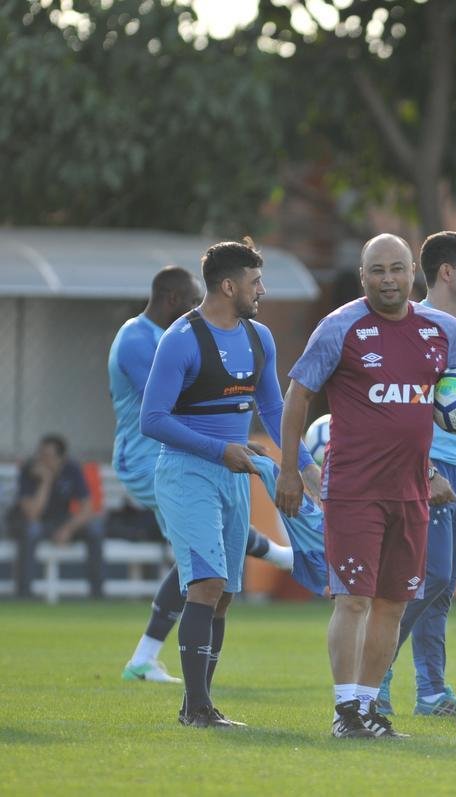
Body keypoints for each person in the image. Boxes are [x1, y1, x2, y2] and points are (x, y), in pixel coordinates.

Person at [274, 233, 456, 740]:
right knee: (354, 600)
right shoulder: (339, 327)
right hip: (354, 491)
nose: (389, 279)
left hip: (412, 491)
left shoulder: (442, 328)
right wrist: (289, 469)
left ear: (414, 274)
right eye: (378, 270)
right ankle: (345, 711)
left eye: (397, 269)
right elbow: (297, 395)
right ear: (363, 277)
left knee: (392, 603)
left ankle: (366, 708)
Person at [141, 239, 319, 729]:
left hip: (236, 477)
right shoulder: (181, 339)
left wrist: (303, 464)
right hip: (187, 473)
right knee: (206, 582)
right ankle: (195, 709)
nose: (262, 290)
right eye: (255, 282)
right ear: (227, 285)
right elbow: (151, 420)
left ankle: (201, 704)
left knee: (223, 595)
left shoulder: (260, 336)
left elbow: (274, 408)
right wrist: (221, 450)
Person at [110, 266, 294, 685]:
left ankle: (145, 658)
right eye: (195, 296)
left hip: (213, 457)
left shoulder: (242, 334)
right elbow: (164, 411)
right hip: (154, 460)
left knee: (204, 573)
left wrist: (297, 460)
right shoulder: (150, 340)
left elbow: (253, 403)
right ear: (175, 298)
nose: (201, 303)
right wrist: (223, 441)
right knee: (205, 569)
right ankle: (276, 553)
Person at [378, 231, 456, 718]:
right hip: (427, 467)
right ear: (447, 272)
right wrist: (424, 469)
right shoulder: (418, 324)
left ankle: (430, 690)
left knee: (443, 587)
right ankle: (375, 677)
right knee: (429, 578)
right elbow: (400, 407)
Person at [9, 434, 103, 599]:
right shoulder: (29, 470)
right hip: (36, 523)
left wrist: (67, 529)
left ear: (61, 458)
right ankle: (24, 594)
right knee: (32, 530)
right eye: (40, 454)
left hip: (62, 523)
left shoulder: (71, 469)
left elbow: (88, 508)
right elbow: (32, 514)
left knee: (95, 528)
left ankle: (97, 594)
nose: (42, 460)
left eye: (47, 456)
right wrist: (46, 481)